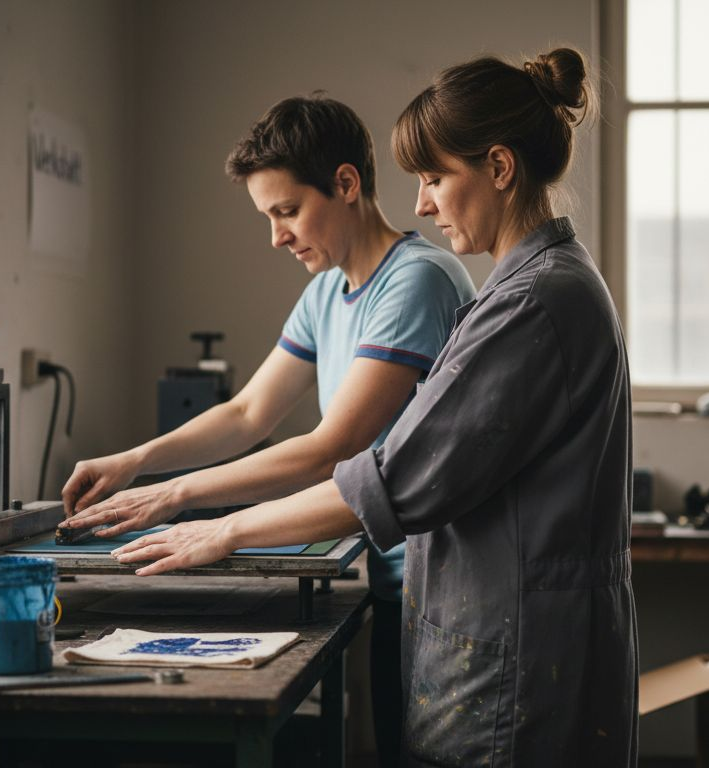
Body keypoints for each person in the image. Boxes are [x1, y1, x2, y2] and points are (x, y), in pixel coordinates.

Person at [108, 49, 637, 766]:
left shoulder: (530, 303)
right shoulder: (530, 288)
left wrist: (219, 527)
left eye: (435, 178)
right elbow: (253, 412)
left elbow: (386, 475)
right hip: (508, 636)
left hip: (519, 660)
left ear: (499, 168)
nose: (422, 203)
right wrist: (144, 465)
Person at [58, 94, 475, 768]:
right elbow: (249, 413)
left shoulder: (417, 281)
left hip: (442, 592)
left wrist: (174, 495)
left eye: (287, 211)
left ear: (346, 184)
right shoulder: (327, 291)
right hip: (393, 580)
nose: (277, 236)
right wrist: (138, 460)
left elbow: (331, 446)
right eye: (269, 217)